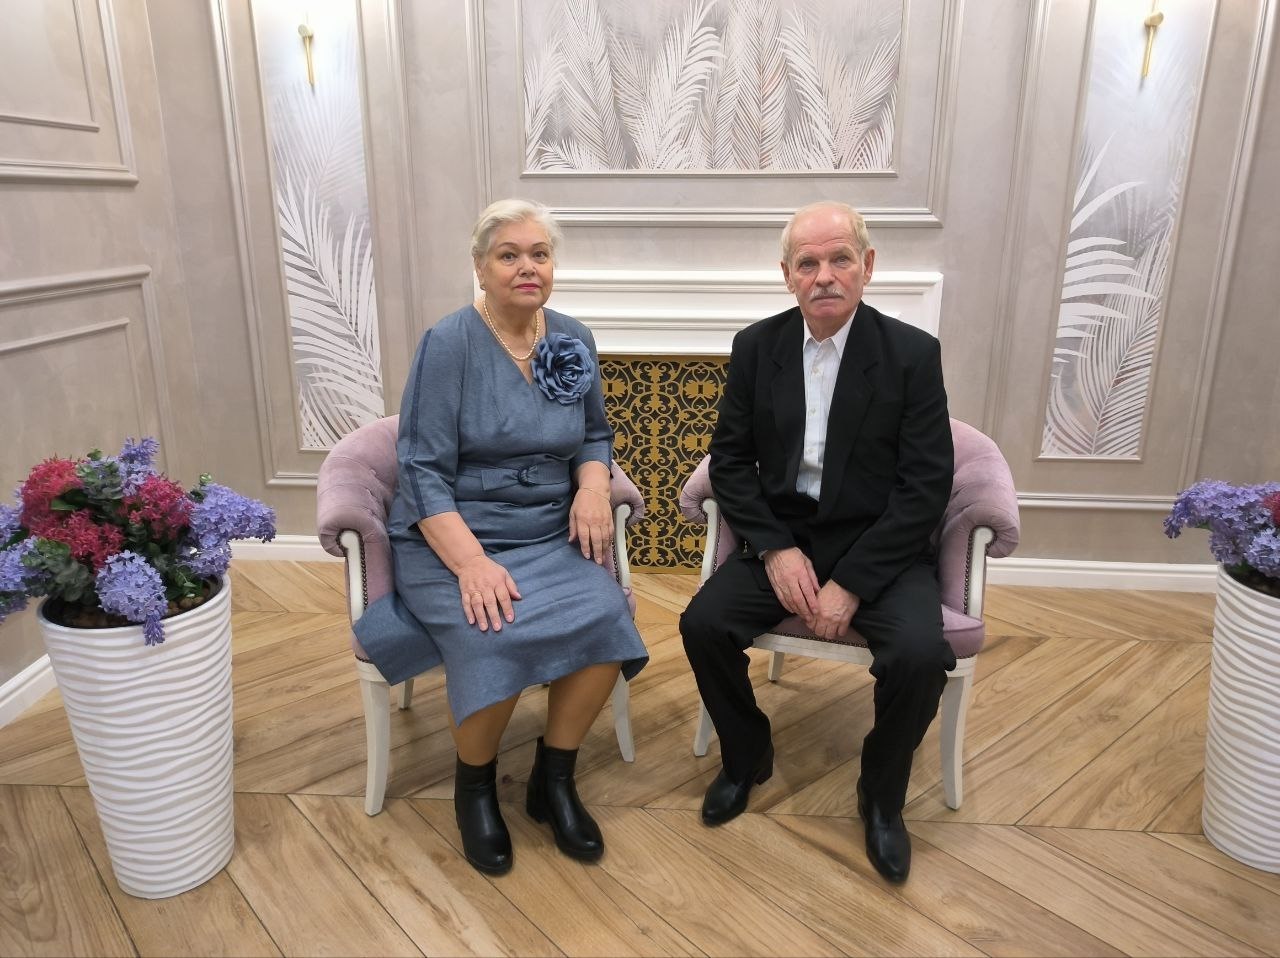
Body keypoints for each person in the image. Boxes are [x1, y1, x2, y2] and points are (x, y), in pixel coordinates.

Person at [355, 199, 648, 876]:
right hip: (451, 534)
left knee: (608, 615)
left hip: (545, 530)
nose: (526, 267)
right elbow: (421, 470)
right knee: (493, 629)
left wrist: (593, 488)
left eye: (539, 254)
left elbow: (595, 434)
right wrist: (471, 565)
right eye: (508, 255)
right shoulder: (448, 343)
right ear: (480, 267)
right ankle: (475, 789)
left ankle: (554, 778)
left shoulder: (571, 337)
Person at [679, 201, 954, 883]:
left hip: (880, 544)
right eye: (808, 263)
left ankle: (881, 794)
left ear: (867, 266)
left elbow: (925, 486)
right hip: (788, 537)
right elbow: (729, 462)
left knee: (920, 657)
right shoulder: (757, 347)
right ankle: (747, 756)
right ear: (787, 275)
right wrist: (775, 548)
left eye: (839, 259)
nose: (824, 275)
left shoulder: (911, 355)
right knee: (702, 625)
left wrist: (853, 581)